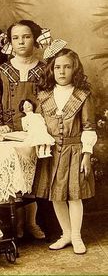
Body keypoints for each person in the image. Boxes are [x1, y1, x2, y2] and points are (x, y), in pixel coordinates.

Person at [34, 43, 97, 254]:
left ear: (74, 69)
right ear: (51, 70)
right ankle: (66, 234)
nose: (62, 71)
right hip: (51, 153)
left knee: (74, 195)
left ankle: (77, 236)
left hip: (75, 151)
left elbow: (89, 127)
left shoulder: (82, 96)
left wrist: (86, 155)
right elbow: (37, 125)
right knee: (57, 195)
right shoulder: (44, 97)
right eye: (58, 67)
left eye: (67, 67)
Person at [0, 19, 47, 240]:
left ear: (34, 38)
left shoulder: (44, 69)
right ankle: (18, 224)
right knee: (16, 179)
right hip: (9, 133)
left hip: (35, 132)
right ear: (9, 42)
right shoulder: (3, 70)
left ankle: (32, 223)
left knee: (33, 179)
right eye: (16, 38)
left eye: (26, 36)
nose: (21, 42)